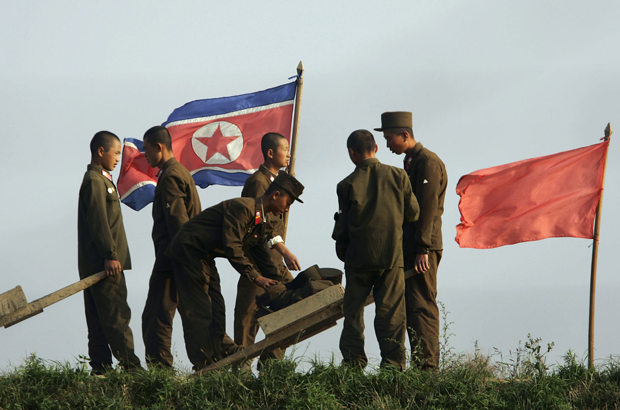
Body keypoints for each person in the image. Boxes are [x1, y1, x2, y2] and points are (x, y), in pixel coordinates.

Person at [167, 173, 304, 371]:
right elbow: (234, 248)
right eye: (288, 201)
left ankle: (221, 354)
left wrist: (282, 288)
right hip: (188, 252)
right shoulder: (243, 208)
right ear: (276, 194)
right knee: (200, 310)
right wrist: (256, 278)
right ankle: (205, 364)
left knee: (217, 308)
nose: (287, 207)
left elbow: (262, 256)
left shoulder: (260, 219)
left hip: (204, 256)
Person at [332, 130, 419, 370]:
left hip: (358, 260)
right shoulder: (398, 176)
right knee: (391, 314)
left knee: (353, 314)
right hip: (391, 257)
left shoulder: (346, 185)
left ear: (352, 152)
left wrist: (343, 251)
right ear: (376, 148)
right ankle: (392, 365)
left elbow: (344, 226)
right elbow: (413, 213)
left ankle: (353, 364)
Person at [376, 111, 447, 369]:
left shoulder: (427, 161)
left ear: (405, 135)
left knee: (421, 307)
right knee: (410, 308)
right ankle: (420, 367)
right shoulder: (410, 161)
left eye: (389, 138)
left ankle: (427, 371)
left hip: (422, 247)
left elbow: (427, 209)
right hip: (412, 246)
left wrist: (422, 249)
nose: (387, 145)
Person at [77, 130, 142, 375]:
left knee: (98, 318)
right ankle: (132, 368)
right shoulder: (95, 181)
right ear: (100, 151)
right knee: (116, 314)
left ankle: (101, 368)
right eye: (115, 153)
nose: (118, 158)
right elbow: (98, 221)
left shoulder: (101, 179)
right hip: (105, 263)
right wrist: (110, 254)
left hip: (96, 262)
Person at [235, 132, 299, 369]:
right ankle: (240, 369)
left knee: (296, 306)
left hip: (274, 262)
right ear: (270, 153)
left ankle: (270, 363)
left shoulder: (279, 182)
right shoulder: (259, 182)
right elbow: (259, 224)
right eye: (284, 149)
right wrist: (284, 250)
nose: (289, 154)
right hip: (257, 261)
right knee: (248, 316)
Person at [140, 125, 201, 369]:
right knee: (192, 316)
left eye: (146, 149)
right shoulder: (180, 172)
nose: (145, 155)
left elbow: (179, 224)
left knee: (156, 318)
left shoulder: (171, 176)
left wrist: (178, 260)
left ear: (159, 147)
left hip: (172, 260)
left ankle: (160, 372)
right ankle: (206, 364)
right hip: (182, 258)